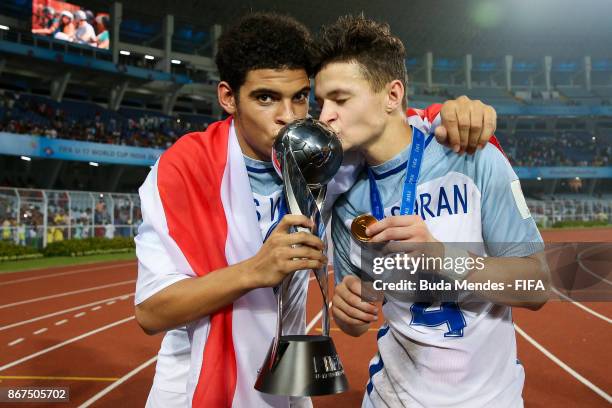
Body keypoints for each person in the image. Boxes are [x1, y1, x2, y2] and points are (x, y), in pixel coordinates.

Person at [134, 12, 498, 408]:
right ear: (228, 98)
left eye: (300, 97)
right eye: (265, 98)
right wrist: (254, 270)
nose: (288, 117)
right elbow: (152, 312)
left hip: (288, 385)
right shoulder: (183, 171)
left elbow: (393, 126)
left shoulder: (325, 156)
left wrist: (453, 112)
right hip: (196, 390)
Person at [315, 15, 549, 407]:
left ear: (392, 95)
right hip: (391, 398)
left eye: (340, 99)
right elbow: (355, 314)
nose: (325, 116)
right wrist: (347, 311)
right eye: (320, 103)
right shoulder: (345, 201)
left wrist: (443, 257)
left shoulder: (473, 157)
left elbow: (538, 286)